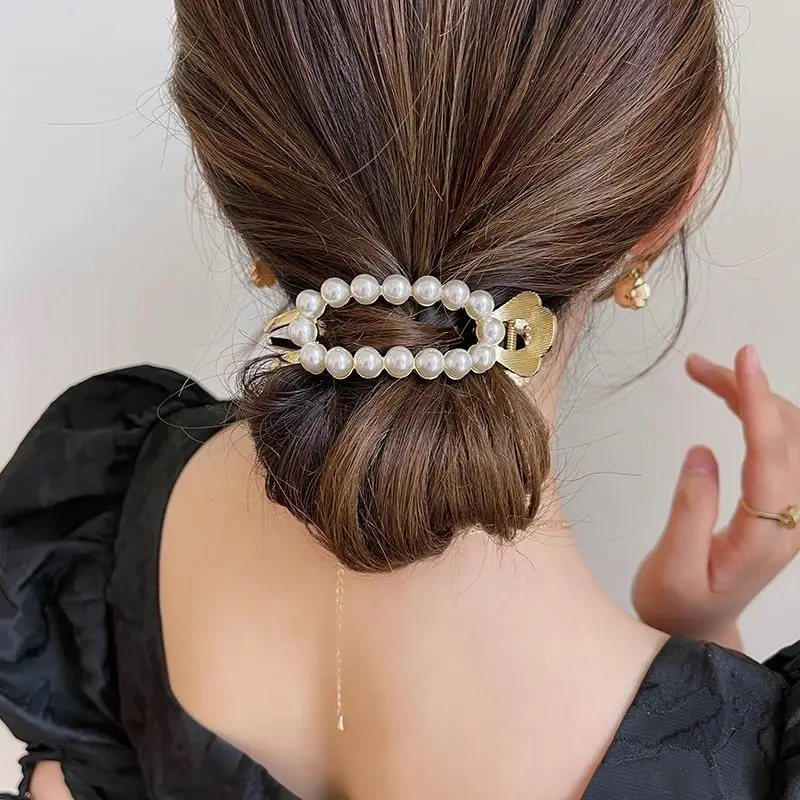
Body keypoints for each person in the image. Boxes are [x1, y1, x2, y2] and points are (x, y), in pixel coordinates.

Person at [2, 1, 800, 798]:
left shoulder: (89, 541)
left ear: (222, 177)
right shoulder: (756, 769)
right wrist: (705, 643)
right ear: (676, 198)